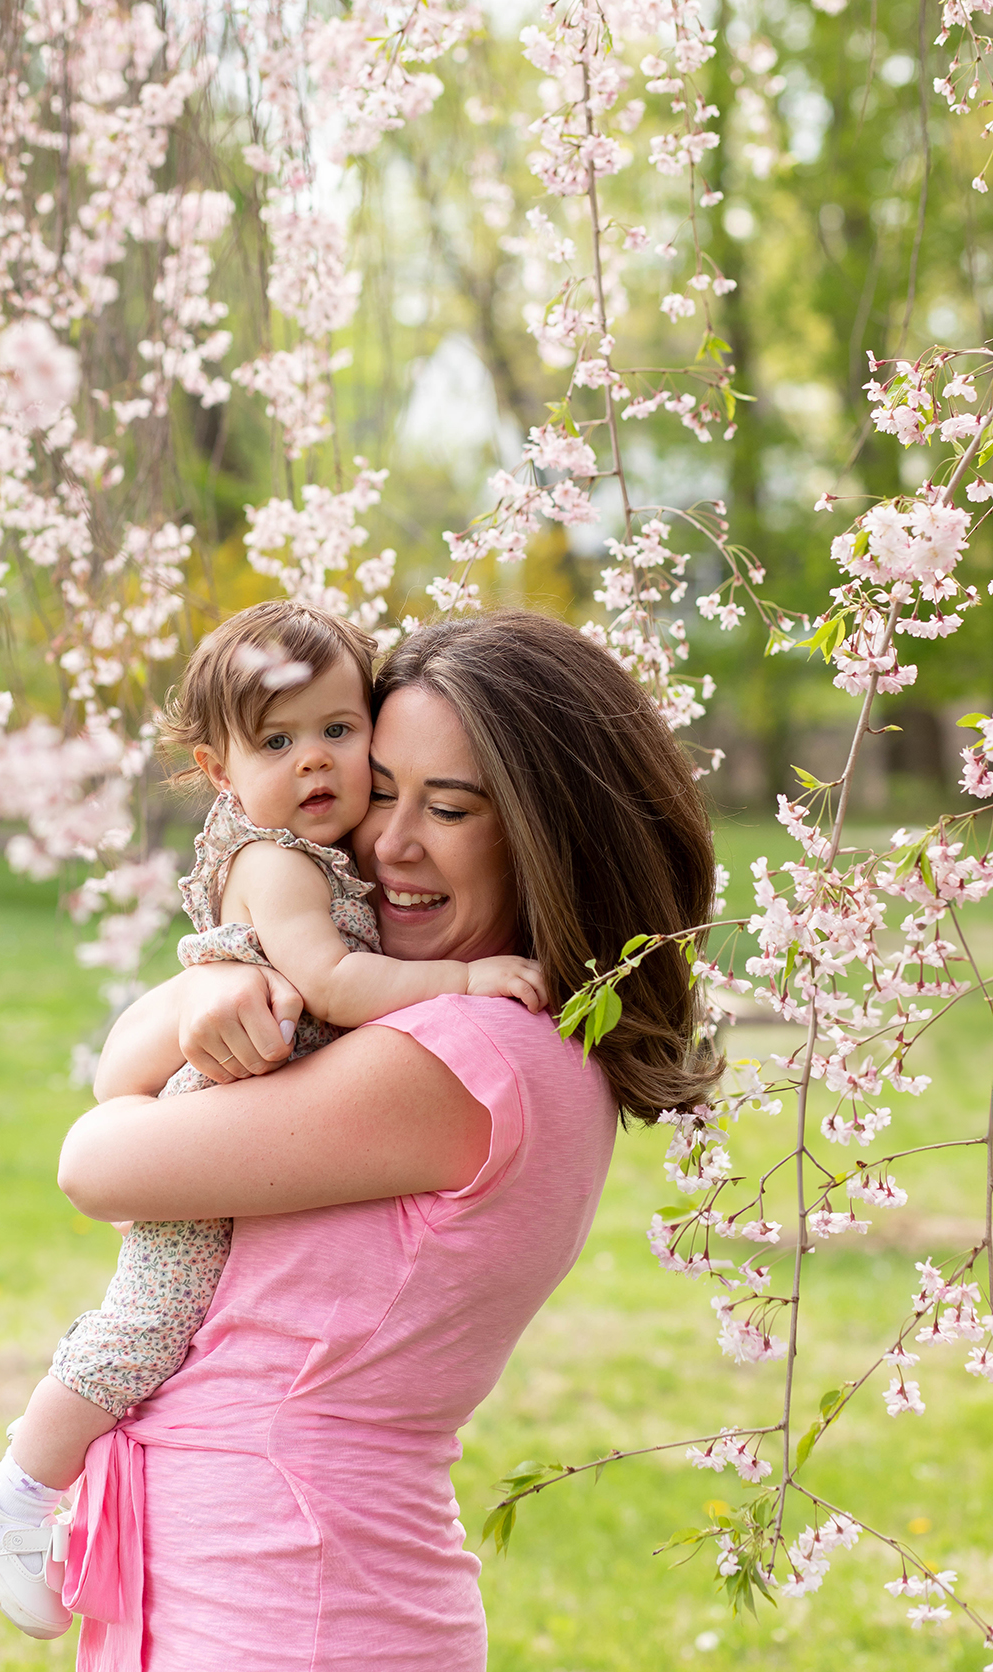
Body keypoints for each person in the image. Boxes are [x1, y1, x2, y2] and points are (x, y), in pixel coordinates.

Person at [53, 609, 719, 1670]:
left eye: (448, 808)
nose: (388, 844)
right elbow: (121, 1073)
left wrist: (222, 985)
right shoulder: (465, 1029)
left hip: (289, 1603)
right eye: (378, 790)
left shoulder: (469, 1053)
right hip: (250, 1575)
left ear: (552, 835)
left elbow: (96, 1160)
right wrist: (222, 977)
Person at [0, 603, 545, 1639]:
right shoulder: (280, 863)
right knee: (148, 1318)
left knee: (154, 1314)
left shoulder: (340, 875)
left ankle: (26, 1489)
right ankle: (19, 1490)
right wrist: (463, 977)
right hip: (228, 1099)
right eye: (277, 742)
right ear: (220, 770)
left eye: (339, 733)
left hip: (284, 1564)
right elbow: (330, 984)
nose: (316, 762)